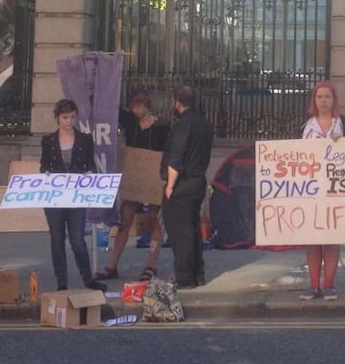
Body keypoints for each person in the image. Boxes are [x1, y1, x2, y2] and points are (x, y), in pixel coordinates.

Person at [95, 90, 169, 281]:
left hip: (153, 180)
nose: (135, 109)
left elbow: (166, 153)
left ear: (146, 105)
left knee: (153, 219)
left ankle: (151, 265)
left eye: (138, 105)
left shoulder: (161, 127)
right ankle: (111, 266)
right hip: (135, 180)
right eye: (132, 106)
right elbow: (113, 107)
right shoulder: (130, 123)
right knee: (125, 219)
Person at [297, 81, 345, 301]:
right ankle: (313, 286)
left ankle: (329, 284)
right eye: (319, 97)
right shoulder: (304, 127)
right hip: (310, 189)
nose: (323, 101)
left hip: (336, 189)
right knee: (313, 238)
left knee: (331, 237)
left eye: (327, 97)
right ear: (314, 100)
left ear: (334, 100)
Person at [40, 99, 107, 292]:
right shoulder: (48, 141)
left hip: (76, 196)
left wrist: (90, 173)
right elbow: (44, 165)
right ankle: (62, 282)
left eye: (72, 117)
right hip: (55, 197)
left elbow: (90, 165)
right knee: (56, 239)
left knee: (77, 238)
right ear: (57, 119)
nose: (69, 121)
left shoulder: (85, 139)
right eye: (65, 117)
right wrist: (45, 173)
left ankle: (88, 279)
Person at [160, 85, 214, 289]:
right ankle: (197, 273)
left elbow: (176, 157)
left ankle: (184, 277)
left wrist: (170, 186)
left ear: (177, 102)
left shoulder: (183, 124)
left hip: (182, 183)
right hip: (198, 181)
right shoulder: (205, 124)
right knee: (192, 229)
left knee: (179, 232)